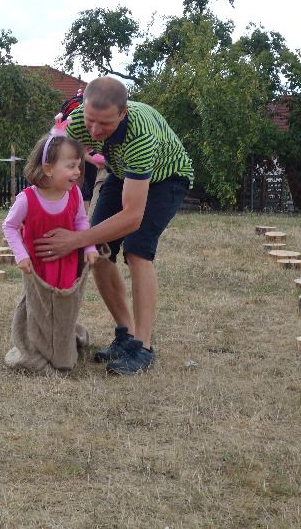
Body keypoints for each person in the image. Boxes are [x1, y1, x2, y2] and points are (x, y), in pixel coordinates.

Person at [33, 76, 192, 375]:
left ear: (123, 113)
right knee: (100, 251)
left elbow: (132, 217)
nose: (95, 130)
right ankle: (126, 335)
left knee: (137, 251)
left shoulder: (140, 134)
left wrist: (75, 239)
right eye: (90, 120)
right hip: (121, 172)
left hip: (166, 178)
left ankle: (143, 347)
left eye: (104, 124)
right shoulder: (80, 121)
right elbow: (61, 166)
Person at [1, 128, 100, 372]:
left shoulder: (74, 194)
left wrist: (89, 246)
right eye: (71, 166)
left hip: (67, 266)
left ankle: (62, 349)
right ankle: (37, 347)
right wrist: (21, 255)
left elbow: (81, 222)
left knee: (64, 308)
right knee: (40, 309)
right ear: (48, 169)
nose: (77, 172)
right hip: (38, 268)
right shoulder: (27, 199)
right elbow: (9, 226)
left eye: (78, 166)